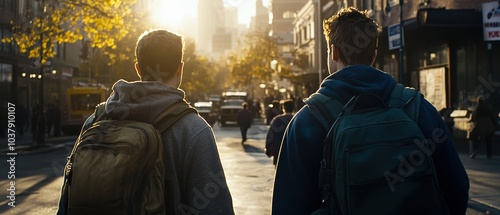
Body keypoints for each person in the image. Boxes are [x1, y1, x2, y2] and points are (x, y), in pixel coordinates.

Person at [272, 7, 469, 215]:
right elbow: (457, 186)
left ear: (333, 51)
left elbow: (288, 205)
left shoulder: (306, 121)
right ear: (374, 56)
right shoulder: (418, 109)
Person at [57, 29, 234, 214]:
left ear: (138, 69)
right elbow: (215, 207)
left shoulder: (96, 120)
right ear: (180, 69)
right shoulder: (194, 130)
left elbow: (66, 201)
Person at [265, 99, 294, 165]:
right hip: (293, 152)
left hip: (279, 150)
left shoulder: (277, 120)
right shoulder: (296, 119)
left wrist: (268, 149)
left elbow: (270, 135)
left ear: (283, 108)